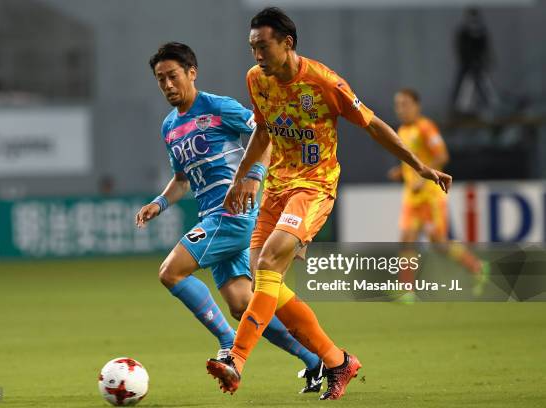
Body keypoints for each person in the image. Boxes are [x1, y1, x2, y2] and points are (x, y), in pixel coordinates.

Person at [205, 7, 452, 400]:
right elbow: (265, 129)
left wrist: (418, 165)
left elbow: (372, 125)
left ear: (287, 43)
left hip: (314, 186)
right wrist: (242, 177)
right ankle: (338, 361)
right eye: (252, 47)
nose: (256, 56)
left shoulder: (324, 82)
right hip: (276, 187)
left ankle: (236, 359)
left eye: (263, 46)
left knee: (269, 264)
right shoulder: (257, 80)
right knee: (263, 282)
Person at [136, 42, 325, 395]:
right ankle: (316, 362)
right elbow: (181, 180)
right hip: (211, 215)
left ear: (192, 73)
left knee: (171, 272)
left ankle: (228, 346)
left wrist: (254, 178)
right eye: (160, 79)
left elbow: (267, 136)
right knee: (242, 305)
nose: (167, 85)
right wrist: (159, 204)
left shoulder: (217, 107)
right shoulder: (169, 126)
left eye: (173, 76)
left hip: (234, 213)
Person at [389, 88, 488, 300]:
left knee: (438, 242)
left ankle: (477, 266)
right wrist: (402, 172)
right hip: (411, 196)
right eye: (398, 105)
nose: (401, 109)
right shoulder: (403, 130)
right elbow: (414, 160)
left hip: (430, 195)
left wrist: (421, 178)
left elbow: (441, 155)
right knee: (407, 239)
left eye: (405, 104)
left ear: (417, 106)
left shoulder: (425, 127)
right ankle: (407, 290)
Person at [451, 8, 498, 114]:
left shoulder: (482, 33)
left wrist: (486, 60)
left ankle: (490, 107)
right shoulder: (463, 33)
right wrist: (469, 61)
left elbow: (486, 49)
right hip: (468, 66)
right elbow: (461, 50)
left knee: (486, 87)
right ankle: (461, 109)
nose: (473, 22)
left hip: (479, 65)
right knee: (465, 88)